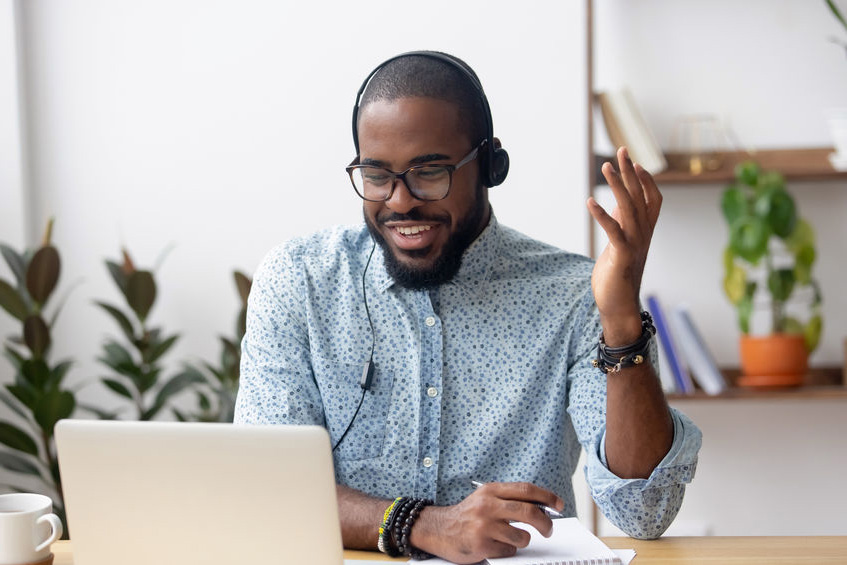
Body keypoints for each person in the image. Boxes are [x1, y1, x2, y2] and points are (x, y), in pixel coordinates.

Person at [234, 51, 701, 564]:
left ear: (490, 166)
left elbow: (645, 511)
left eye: (429, 172)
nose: (399, 201)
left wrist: (620, 319)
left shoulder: (575, 295)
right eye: (376, 175)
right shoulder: (300, 282)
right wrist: (424, 525)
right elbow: (267, 491)